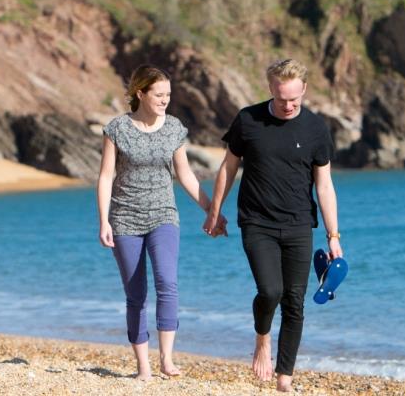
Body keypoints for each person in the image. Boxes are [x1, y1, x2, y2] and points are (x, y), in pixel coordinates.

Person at [204, 58, 344, 393]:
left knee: (295, 301)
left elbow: (324, 185)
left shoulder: (315, 129)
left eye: (295, 99)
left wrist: (334, 235)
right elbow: (228, 167)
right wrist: (214, 210)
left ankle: (285, 379)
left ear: (304, 90)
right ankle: (262, 339)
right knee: (271, 291)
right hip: (257, 222)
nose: (288, 105)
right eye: (282, 99)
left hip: (298, 224)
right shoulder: (248, 120)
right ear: (271, 89)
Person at [96, 65, 225, 380]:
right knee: (136, 293)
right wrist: (103, 222)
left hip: (164, 216)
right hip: (125, 218)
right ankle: (144, 367)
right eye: (159, 94)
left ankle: (167, 359)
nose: (165, 100)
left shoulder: (174, 129)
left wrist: (211, 209)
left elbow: (185, 174)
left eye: (168, 94)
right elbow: (105, 177)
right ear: (140, 93)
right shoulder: (117, 129)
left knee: (167, 283)